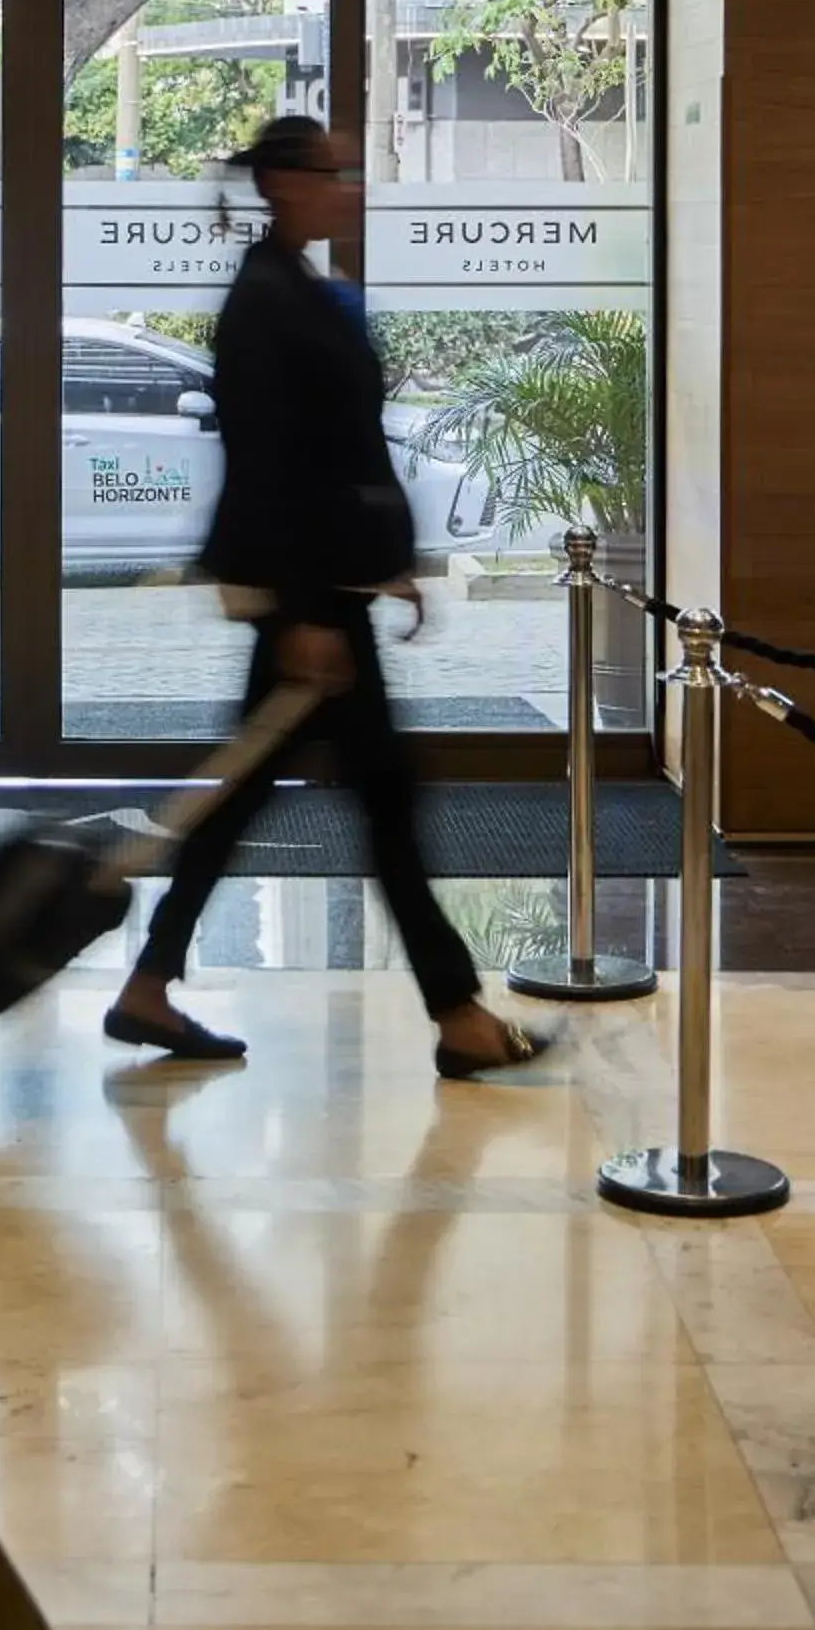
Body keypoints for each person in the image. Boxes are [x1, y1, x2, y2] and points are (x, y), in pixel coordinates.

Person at [102, 115, 550, 1080]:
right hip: (308, 598)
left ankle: (148, 987)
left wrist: (377, 561)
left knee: (249, 793)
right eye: (334, 171)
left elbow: (335, 446)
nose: (351, 185)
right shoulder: (266, 298)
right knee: (381, 799)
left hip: (326, 585)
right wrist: (309, 608)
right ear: (283, 184)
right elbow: (268, 460)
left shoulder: (295, 285)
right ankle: (458, 1015)